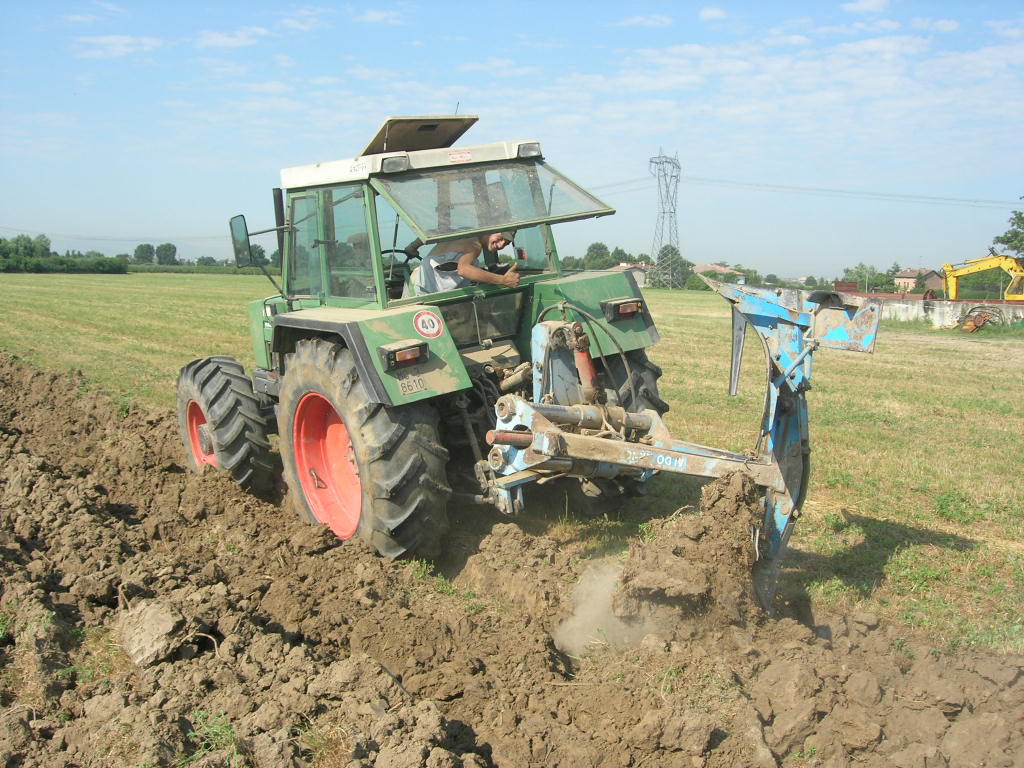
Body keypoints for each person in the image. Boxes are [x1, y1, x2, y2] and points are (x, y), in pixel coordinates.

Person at [413, 231, 519, 294]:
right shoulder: (474, 244)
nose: (501, 245)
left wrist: (412, 247)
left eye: (506, 243)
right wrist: (503, 280)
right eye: (501, 238)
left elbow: (432, 232)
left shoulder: (463, 234)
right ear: (491, 230)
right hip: (422, 292)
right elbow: (463, 270)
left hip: (417, 284)